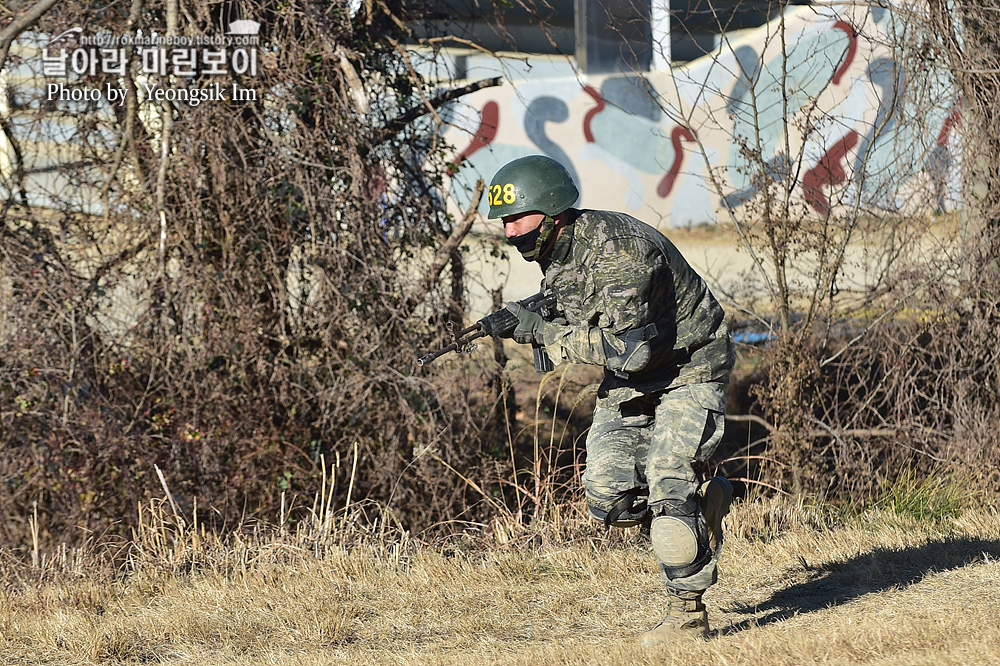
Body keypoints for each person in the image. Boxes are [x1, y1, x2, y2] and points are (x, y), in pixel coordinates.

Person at [488, 155, 735, 643]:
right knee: (609, 498)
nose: (511, 232)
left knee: (668, 486)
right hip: (631, 383)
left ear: (552, 212)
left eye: (518, 219)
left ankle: (687, 616)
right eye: (505, 223)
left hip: (690, 368)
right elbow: (572, 300)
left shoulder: (623, 253)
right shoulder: (556, 251)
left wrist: (543, 335)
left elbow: (633, 350)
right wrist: (524, 314)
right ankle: (697, 507)